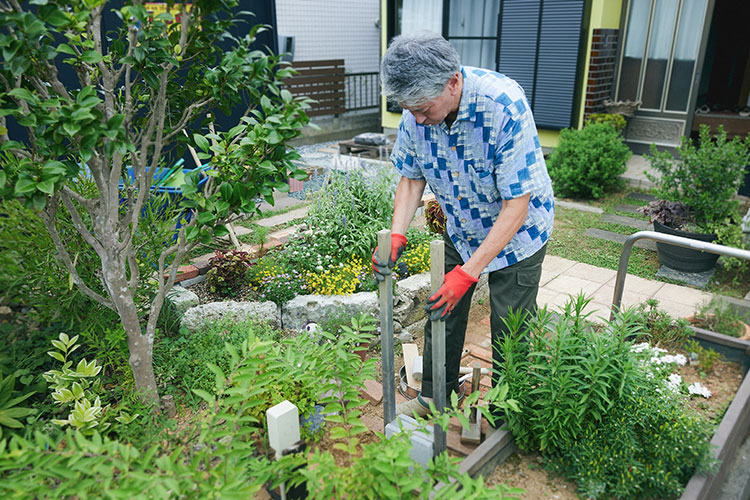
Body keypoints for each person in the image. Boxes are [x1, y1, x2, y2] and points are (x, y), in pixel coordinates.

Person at [372, 31, 554, 418]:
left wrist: (469, 274)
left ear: (452, 82)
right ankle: (435, 395)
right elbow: (410, 178)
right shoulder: (416, 111)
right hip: (464, 225)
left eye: (423, 108)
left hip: (518, 234)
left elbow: (517, 205)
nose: (416, 118)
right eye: (409, 109)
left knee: (511, 326)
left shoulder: (503, 105)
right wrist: (397, 233)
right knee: (443, 311)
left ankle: (510, 415)